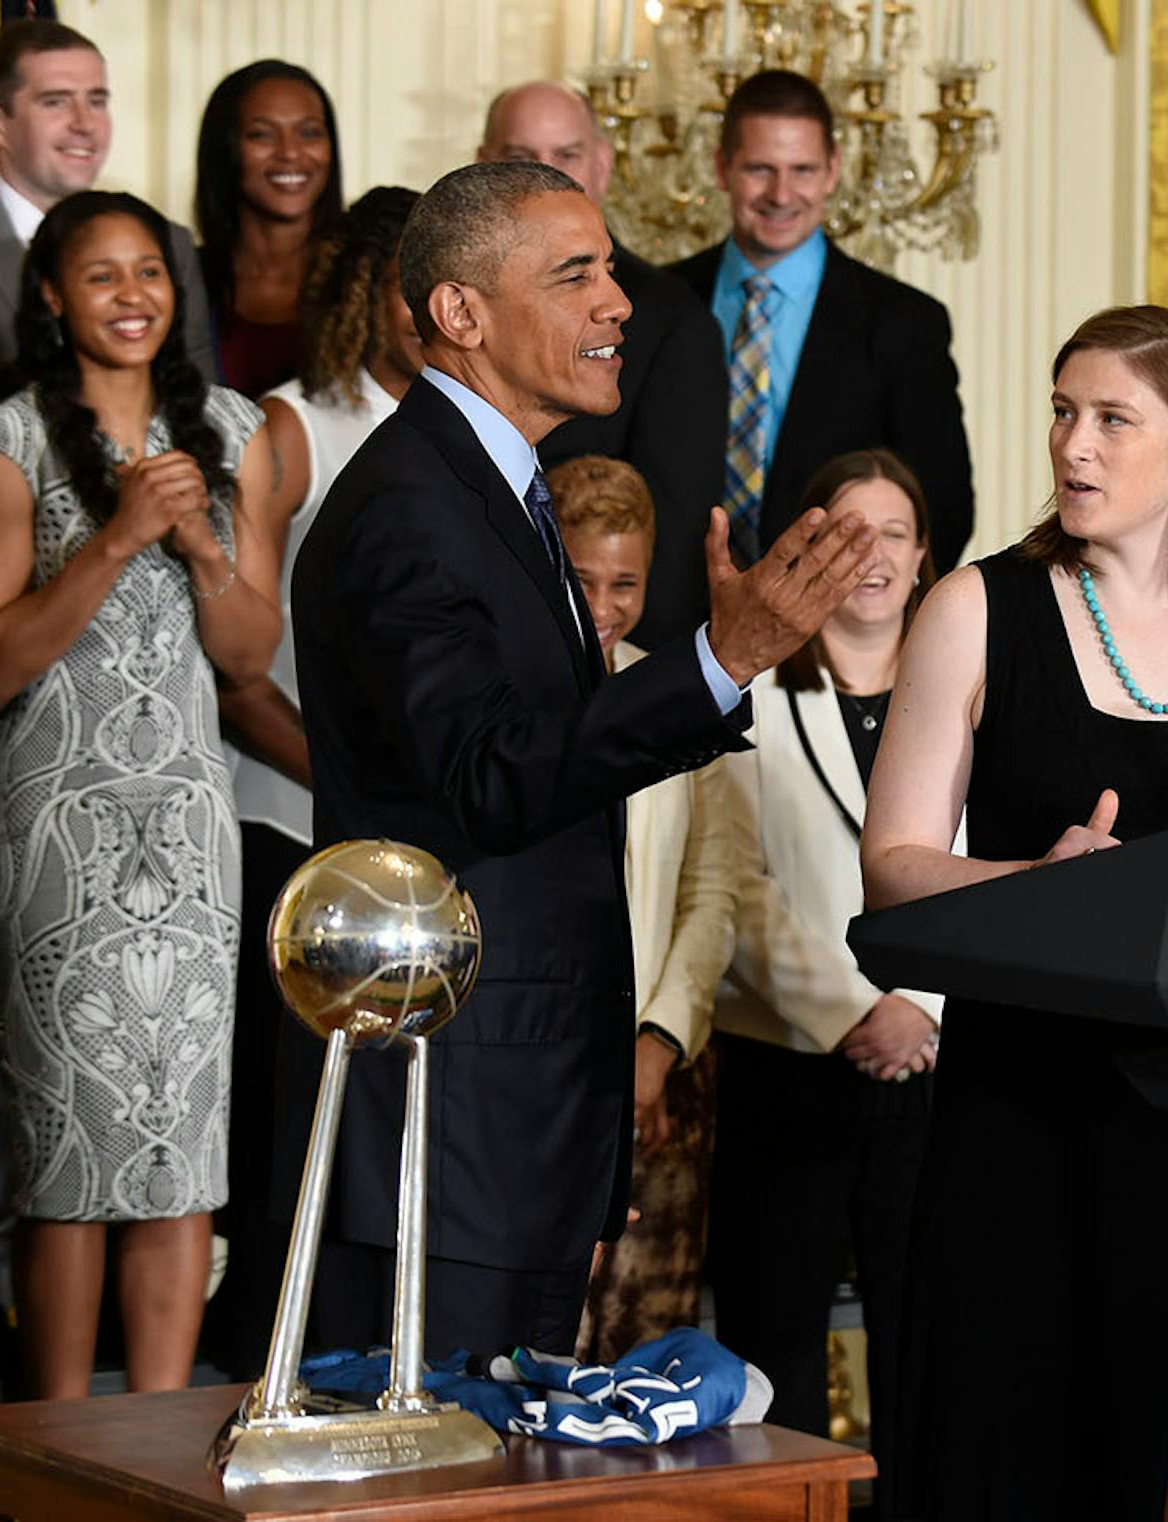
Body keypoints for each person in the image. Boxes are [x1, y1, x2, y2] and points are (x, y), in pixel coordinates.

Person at [288, 159, 878, 1359]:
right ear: (460, 313)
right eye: (577, 275)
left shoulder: (501, 492)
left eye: (611, 269)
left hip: (529, 1121)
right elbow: (495, 776)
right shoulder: (412, 507)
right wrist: (722, 657)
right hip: (454, 1124)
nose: (619, 301)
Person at [860, 305, 1168, 1519]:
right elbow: (894, 865)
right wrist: (1046, 885)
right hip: (1017, 1114)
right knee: (1009, 1453)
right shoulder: (975, 609)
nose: (1073, 446)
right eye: (1063, 413)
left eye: (1113, 420)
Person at [0, 190, 282, 1398]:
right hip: (56, 835)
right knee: (70, 1150)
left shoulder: (242, 432)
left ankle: (157, 1449)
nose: (134, 294)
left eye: (151, 271)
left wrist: (200, 548)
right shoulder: (7, 442)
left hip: (191, 831)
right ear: (50, 296)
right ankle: (60, 1451)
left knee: (181, 1149)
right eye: (102, 275)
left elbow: (247, 656)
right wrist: (115, 534)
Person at [201, 184, 423, 1379]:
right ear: (360, 291)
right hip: (287, 823)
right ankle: (257, 1378)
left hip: (395, 852)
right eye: (408, 282)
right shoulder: (288, 427)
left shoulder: (462, 429)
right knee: (287, 1144)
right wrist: (347, 793)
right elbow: (239, 670)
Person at [709, 447, 951, 1508]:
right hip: (789, 1064)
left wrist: (924, 1009)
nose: (874, 553)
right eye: (848, 529)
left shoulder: (969, 698)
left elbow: (989, 871)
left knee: (929, 1331)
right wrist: (861, 1009)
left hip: (939, 1063)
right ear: (806, 545)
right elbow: (736, 887)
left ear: (925, 554)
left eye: (895, 532)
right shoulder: (747, 696)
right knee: (779, 1339)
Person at [545, 455, 738, 1361]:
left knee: (636, 1364)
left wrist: (657, 1042)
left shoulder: (676, 695)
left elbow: (710, 893)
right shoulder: (507, 701)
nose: (604, 606)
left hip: (656, 1079)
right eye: (582, 579)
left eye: (625, 583)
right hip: (538, 1070)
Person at [669, 70, 974, 573]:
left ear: (833, 171)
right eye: (760, 169)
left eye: (803, 170)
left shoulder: (904, 323)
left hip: (835, 623)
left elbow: (941, 507)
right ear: (723, 169)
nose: (781, 193)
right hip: (672, 628)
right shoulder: (657, 301)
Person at [482, 80, 728, 651]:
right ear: (482, 166)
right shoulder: (458, 303)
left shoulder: (669, 318)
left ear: (602, 163)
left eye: (566, 155)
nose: (546, 176)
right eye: (521, 158)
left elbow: (669, 539)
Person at [0, 19, 215, 432]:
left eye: (97, 101)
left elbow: (204, 409)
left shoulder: (170, 241)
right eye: (56, 102)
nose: (85, 123)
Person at [195, 60, 343, 398]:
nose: (290, 153)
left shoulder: (365, 277)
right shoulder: (185, 279)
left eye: (309, 133)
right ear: (227, 149)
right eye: (262, 134)